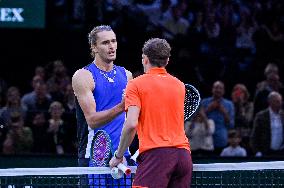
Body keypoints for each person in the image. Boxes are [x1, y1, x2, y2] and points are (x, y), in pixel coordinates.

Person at [109, 38, 193, 188]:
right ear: (167, 60)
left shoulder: (135, 84)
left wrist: (118, 156)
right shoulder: (179, 85)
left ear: (145, 59)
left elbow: (131, 124)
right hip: (184, 157)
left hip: (157, 157)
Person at [72, 25, 133, 187]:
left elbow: (132, 118)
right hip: (93, 156)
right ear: (94, 47)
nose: (112, 46)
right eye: (105, 42)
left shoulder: (127, 75)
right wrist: (121, 107)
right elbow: (92, 120)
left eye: (114, 41)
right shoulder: (84, 76)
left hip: (122, 156)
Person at [201, 81, 235, 155]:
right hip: (205, 138)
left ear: (224, 91)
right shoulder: (204, 102)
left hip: (221, 139)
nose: (218, 90)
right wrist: (208, 109)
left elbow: (231, 125)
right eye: (216, 88)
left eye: (220, 88)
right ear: (212, 89)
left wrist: (224, 112)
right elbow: (197, 120)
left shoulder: (229, 104)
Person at [250, 91, 284, 157]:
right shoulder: (261, 116)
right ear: (270, 102)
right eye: (277, 101)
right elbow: (254, 136)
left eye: (280, 101)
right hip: (265, 152)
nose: (280, 103)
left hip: (281, 152)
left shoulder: (283, 115)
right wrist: (257, 152)